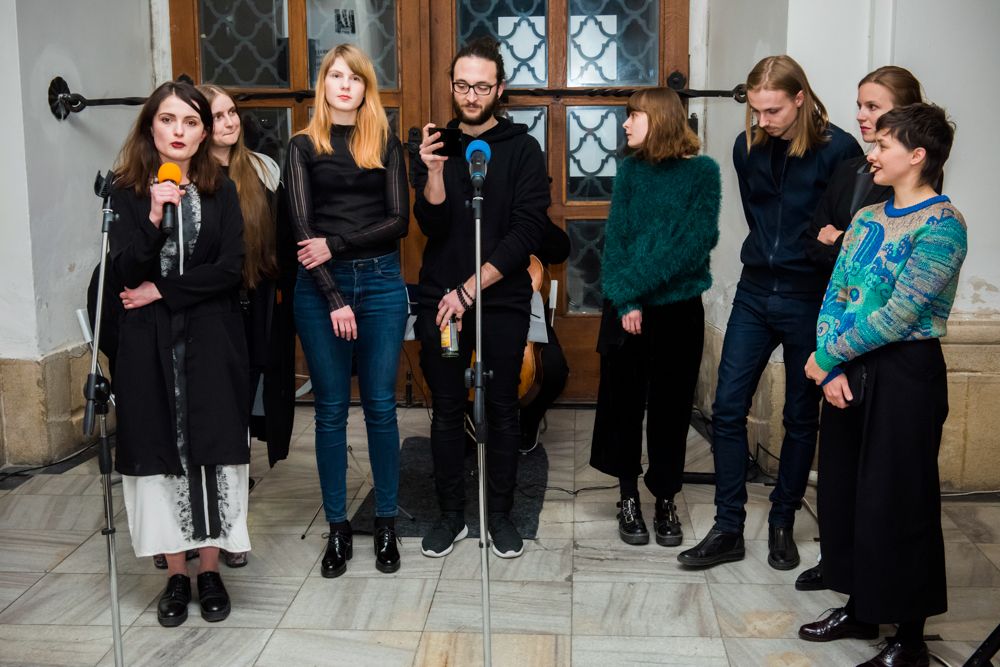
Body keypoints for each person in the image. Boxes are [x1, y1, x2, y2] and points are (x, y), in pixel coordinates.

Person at [678, 55, 862, 570]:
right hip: (755, 292)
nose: (763, 120)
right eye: (756, 110)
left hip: (809, 298)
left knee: (801, 415)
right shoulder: (747, 147)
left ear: (800, 98)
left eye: (773, 110)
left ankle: (783, 521)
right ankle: (728, 528)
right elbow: (758, 217)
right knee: (727, 409)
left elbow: (845, 231)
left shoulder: (840, 150)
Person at [799, 103, 965, 667]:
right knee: (845, 492)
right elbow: (838, 293)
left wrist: (827, 355)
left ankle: (909, 638)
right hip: (850, 369)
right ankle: (862, 607)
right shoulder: (868, 217)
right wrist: (832, 367)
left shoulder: (943, 225)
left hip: (906, 375)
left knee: (898, 501)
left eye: (883, 145)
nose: (871, 154)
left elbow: (899, 314)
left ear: (917, 155)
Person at [109, 81, 249, 627]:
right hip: (147, 346)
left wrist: (162, 291)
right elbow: (124, 272)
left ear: (204, 132)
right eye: (168, 120)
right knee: (158, 453)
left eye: (191, 122)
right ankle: (174, 574)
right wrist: (152, 216)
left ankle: (210, 570)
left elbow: (229, 269)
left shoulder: (222, 190)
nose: (179, 131)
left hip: (211, 339)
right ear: (151, 127)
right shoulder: (125, 192)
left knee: (213, 451)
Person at [413, 37, 549, 560]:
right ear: (451, 87)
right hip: (441, 302)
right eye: (463, 86)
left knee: (503, 406)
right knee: (447, 407)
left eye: (482, 87)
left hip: (500, 298)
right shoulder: (436, 146)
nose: (471, 96)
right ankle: (451, 516)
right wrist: (431, 173)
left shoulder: (523, 149)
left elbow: (527, 230)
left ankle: (500, 516)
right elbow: (431, 225)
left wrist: (470, 289)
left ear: (500, 88)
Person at [795, 65, 925, 592]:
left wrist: (843, 245)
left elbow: (884, 292)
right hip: (840, 338)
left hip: (885, 353)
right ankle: (840, 566)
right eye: (860, 105)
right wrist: (828, 360)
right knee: (840, 473)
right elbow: (821, 250)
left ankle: (873, 592)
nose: (861, 117)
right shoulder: (853, 172)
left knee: (883, 485)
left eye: (874, 107)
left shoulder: (927, 206)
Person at [284, 44, 409, 577]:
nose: (344, 85)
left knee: (380, 406)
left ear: (365, 87)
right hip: (319, 291)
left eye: (354, 78)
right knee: (331, 410)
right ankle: (337, 528)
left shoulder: (385, 142)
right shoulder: (301, 146)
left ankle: (385, 523)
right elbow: (300, 228)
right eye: (335, 75)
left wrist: (336, 244)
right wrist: (334, 296)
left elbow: (399, 221)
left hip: (381, 283)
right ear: (324, 85)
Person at [590, 88, 721, 547]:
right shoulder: (630, 171)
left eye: (634, 116)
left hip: (678, 310)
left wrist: (632, 289)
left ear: (661, 119)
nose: (626, 124)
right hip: (627, 308)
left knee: (671, 408)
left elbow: (694, 244)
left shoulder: (703, 173)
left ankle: (665, 497)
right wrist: (625, 301)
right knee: (622, 406)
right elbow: (617, 238)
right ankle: (627, 496)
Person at [198, 83, 295, 569]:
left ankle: (231, 528)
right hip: (202, 313)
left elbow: (281, 242)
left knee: (238, 427)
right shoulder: (186, 176)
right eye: (217, 116)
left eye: (232, 112)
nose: (230, 122)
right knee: (200, 422)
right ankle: (187, 528)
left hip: (253, 308)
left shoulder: (263, 169)